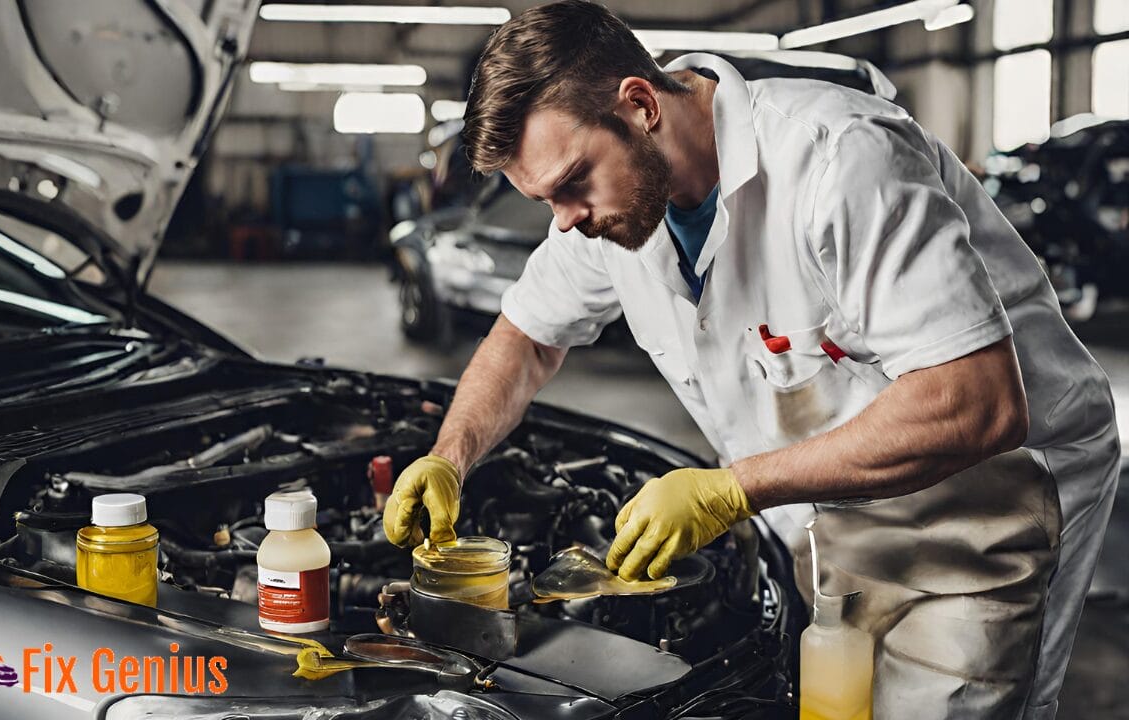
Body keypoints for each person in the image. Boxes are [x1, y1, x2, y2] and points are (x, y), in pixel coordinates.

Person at [381, 2, 1119, 717]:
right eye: (546, 200)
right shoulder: (610, 213)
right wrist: (451, 454)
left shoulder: (840, 159)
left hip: (988, 511)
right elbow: (527, 335)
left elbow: (975, 400)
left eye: (573, 182)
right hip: (824, 517)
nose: (566, 219)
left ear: (641, 105)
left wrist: (731, 490)